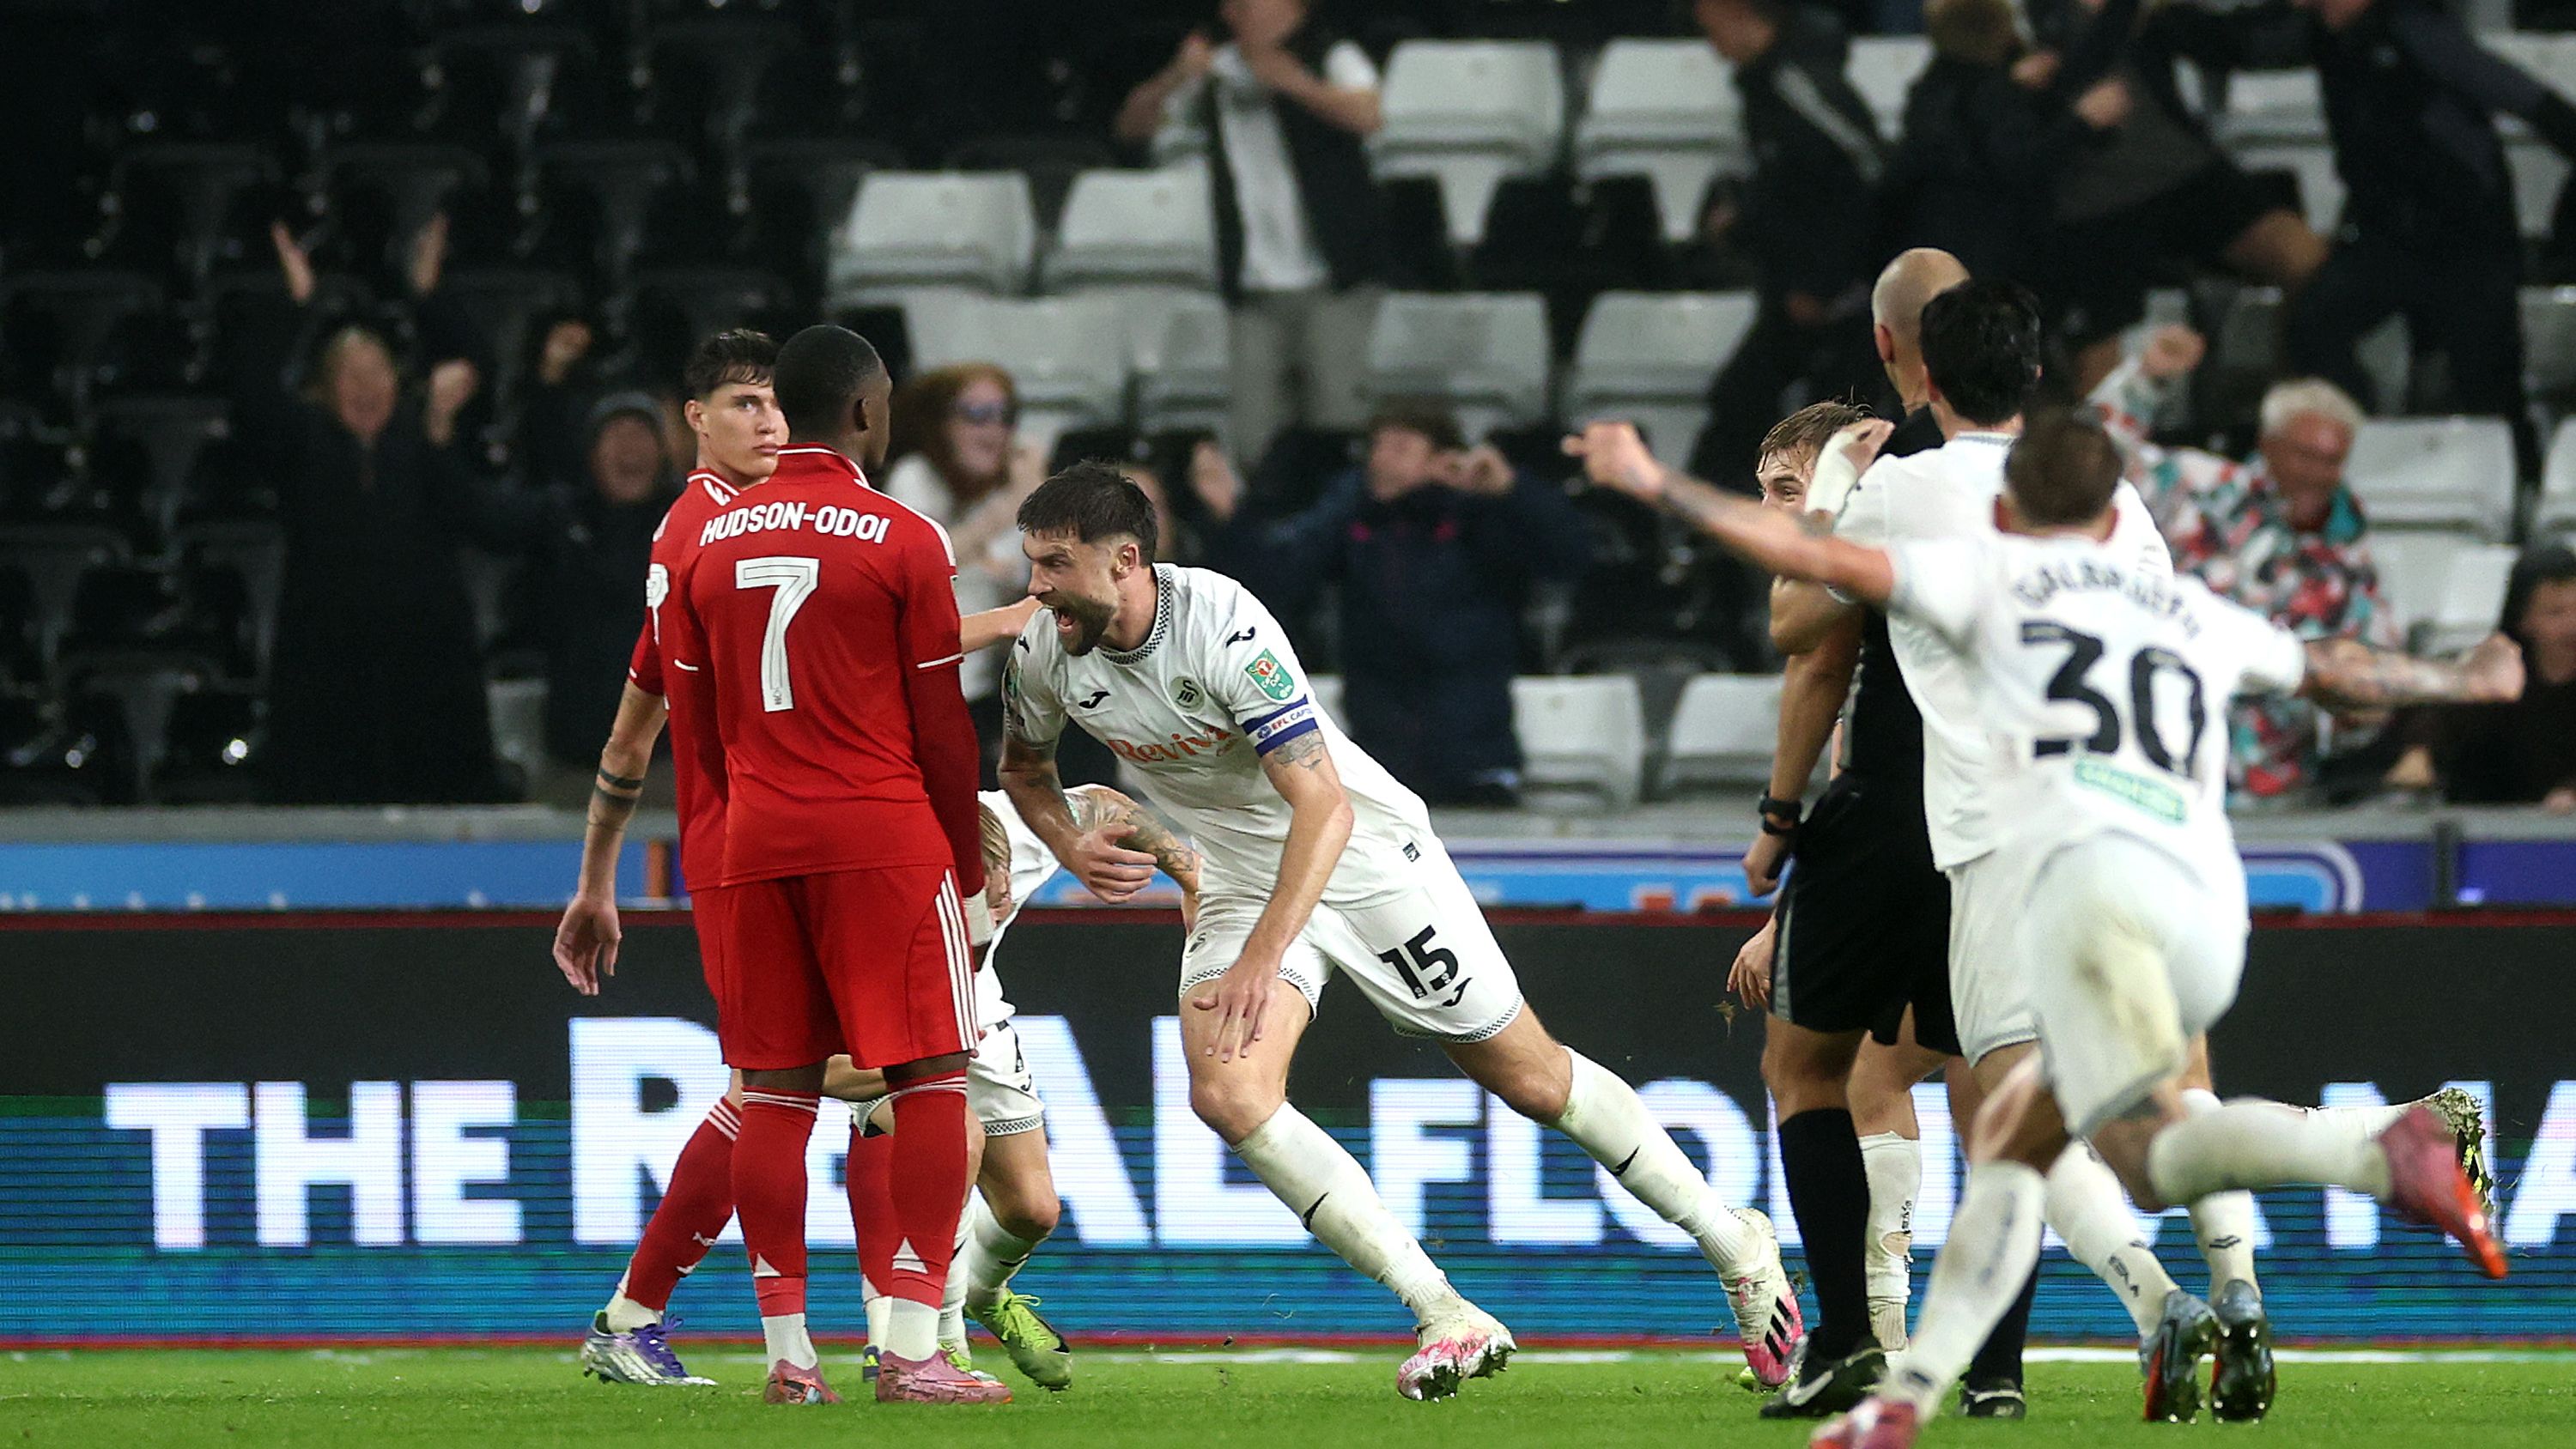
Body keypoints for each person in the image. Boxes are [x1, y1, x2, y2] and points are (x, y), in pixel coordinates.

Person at [1654, 411, 2515, 1449]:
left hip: (2055, 884)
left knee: (2058, 1141)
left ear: (2009, 510)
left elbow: (1808, 601)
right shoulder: (2181, 604)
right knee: (2085, 1135)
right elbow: (2333, 670)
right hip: (2201, 901)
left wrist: (1656, 478)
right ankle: (1946, 1383)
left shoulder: (1981, 594)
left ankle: (2379, 1147)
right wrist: (2466, 679)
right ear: (2120, 515)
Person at [998, 463, 1803, 1401]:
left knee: (1532, 1077)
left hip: (1367, 860)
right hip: (1243, 881)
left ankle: (1735, 1240)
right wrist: (1070, 844)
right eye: (1031, 564)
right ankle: (1443, 1309)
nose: (1037, 585)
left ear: (1126, 558)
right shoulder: (1045, 649)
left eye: (1055, 563)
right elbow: (1024, 768)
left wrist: (1265, 956)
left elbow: (1325, 804)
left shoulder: (1222, 624)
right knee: (1226, 1092)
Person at [663, 324, 996, 1406]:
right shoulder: (902, 534)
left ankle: (788, 1358)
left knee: (773, 1093)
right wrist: (963, 857)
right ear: (860, 411)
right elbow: (942, 724)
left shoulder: (707, 541)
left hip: (754, 835)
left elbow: (698, 729)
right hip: (879, 835)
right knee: (933, 1074)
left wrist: (742, 820)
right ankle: (909, 1343)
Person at [851, 783, 1204, 1392]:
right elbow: (813, 1069)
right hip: (888, 1035)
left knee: (1033, 1210)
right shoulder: (869, 906)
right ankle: (937, 1348)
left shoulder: (1016, 826)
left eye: (1003, 882)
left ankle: (986, 1295)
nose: (1003, 897)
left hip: (979, 1025)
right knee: (951, 1141)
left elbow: (1101, 800)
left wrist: (1191, 875)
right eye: (981, 894)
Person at [1192, 401, 1590, 804]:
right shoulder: (1354, 518)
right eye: (1377, 448)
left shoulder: (1479, 519)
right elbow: (1276, 579)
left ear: (1442, 460)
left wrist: (1512, 489)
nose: (1382, 460)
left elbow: (1568, 557)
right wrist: (1233, 517)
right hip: (1379, 755)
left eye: (1400, 449)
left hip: (1474, 754)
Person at [241, 215, 506, 804]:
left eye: (376, 372)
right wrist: (298, 303)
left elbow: (477, 376)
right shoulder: (304, 448)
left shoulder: (424, 446)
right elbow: (255, 397)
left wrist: (430, 296)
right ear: (324, 389)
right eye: (349, 375)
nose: (365, 386)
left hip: (424, 673)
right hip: (327, 674)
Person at [2089, 325, 2401, 799]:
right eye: (2305, 455)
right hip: (2154, 768)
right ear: (2268, 443)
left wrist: (2353, 712)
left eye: (2333, 460)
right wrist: (2146, 379)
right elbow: (2086, 462)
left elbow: (2371, 690)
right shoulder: (2198, 487)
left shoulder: (2354, 567)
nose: (2320, 475)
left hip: (2275, 792)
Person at [1115, 0, 1386, 460]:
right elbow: (1131, 127)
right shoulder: (1216, 66)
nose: (1235, 10)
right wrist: (1177, 77)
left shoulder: (1330, 51)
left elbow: (1368, 115)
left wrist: (1291, 81)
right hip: (1252, 286)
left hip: (1334, 279)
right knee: (1255, 440)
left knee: (1339, 426)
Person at [2016, 0, 2329, 393]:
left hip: (2184, 172)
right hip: (2092, 202)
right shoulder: (2030, 19)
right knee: (2101, 350)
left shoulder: (2151, 14)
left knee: (2308, 261)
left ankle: (2289, 409)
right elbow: (2053, 79)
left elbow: (2230, 45)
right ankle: (2100, 444)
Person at [1686, 0, 1890, 488]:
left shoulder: (1795, 86)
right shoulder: (1766, 88)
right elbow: (1793, 189)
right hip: (1799, 292)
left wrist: (1821, 284)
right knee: (1739, 405)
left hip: (1840, 299)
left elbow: (1865, 181)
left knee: (1824, 428)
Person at [2386, 544, 2576, 808]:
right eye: (2555, 613)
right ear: (2524, 620)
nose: (2572, 625)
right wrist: (2420, 753)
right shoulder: (2497, 675)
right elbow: (2441, 714)